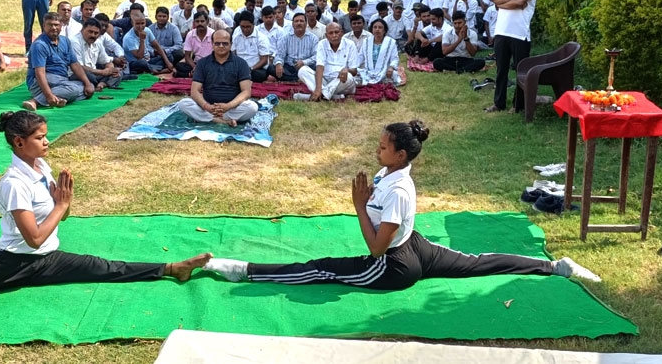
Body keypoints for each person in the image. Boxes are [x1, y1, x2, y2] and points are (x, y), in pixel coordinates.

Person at [203, 121, 602, 288]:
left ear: (400, 155)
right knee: (476, 262)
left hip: (393, 265)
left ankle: (245, 271)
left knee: (319, 269)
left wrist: (359, 206)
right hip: (416, 247)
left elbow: (376, 246)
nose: (376, 150)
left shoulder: (397, 190)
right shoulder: (393, 176)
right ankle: (555, 267)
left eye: (382, 147)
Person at [0, 110, 212, 294]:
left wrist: (63, 203)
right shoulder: (14, 184)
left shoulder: (41, 165)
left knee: (104, 267)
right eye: (39, 138)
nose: (47, 141)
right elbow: (32, 237)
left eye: (45, 135)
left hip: (46, 259)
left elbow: (55, 223)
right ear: (19, 142)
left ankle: (173, 268)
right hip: (7, 264)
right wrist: (60, 207)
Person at [486, 0, 542, 113]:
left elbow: (521, 2)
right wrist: (512, 1)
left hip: (520, 34)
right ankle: (498, 103)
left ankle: (518, 105)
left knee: (520, 71)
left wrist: (502, 3)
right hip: (502, 31)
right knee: (501, 69)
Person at [178, 30, 258, 127]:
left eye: (225, 43)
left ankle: (207, 119)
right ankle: (223, 121)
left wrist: (228, 106)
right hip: (208, 106)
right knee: (183, 103)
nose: (221, 46)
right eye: (217, 43)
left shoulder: (241, 63)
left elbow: (246, 92)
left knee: (252, 107)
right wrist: (207, 107)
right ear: (212, 44)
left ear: (231, 44)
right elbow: (195, 91)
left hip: (232, 107)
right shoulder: (202, 63)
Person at [22, 13, 94, 111]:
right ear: (44, 26)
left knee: (88, 87)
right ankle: (36, 101)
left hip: (62, 80)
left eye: (56, 25)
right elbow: (39, 73)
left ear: (61, 26)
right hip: (41, 80)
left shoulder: (65, 41)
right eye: (50, 25)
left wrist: (87, 83)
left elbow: (75, 64)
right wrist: (48, 95)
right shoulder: (39, 45)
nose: (53, 28)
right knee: (74, 89)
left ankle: (57, 99)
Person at [296, 23, 358, 101]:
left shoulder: (350, 44)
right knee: (303, 70)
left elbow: (354, 71)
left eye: (336, 32)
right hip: (324, 81)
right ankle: (329, 96)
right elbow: (319, 67)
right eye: (331, 33)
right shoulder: (322, 44)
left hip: (341, 83)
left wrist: (347, 70)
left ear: (341, 33)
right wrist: (318, 89)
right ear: (326, 35)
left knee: (349, 77)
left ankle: (319, 95)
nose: (334, 35)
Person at [70, 18, 122, 91]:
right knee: (88, 76)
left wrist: (110, 69)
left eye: (96, 33)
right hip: (79, 74)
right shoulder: (75, 42)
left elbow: (106, 61)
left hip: (95, 73)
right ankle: (102, 83)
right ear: (82, 30)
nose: (93, 35)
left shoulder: (97, 42)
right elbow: (79, 67)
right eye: (90, 32)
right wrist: (102, 72)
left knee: (118, 71)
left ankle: (101, 84)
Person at [270, 13, 318, 82]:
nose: (299, 23)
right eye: (296, 21)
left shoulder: (313, 38)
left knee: (317, 67)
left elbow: (316, 56)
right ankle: (299, 79)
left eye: (301, 21)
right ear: (292, 24)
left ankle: (291, 79)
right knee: (271, 68)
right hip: (289, 67)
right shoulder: (286, 37)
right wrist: (279, 64)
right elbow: (280, 55)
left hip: (306, 67)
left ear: (306, 23)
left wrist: (304, 62)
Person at [357, 19, 401, 85]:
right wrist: (353, 66)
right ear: (372, 30)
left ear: (384, 30)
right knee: (355, 74)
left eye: (380, 27)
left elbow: (395, 58)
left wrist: (391, 67)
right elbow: (360, 57)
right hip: (368, 71)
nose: (377, 29)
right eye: (375, 27)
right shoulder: (366, 41)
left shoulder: (391, 42)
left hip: (384, 71)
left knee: (393, 74)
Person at [232, 11, 273, 83]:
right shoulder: (236, 36)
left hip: (255, 69)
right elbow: (233, 54)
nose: (245, 29)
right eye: (242, 27)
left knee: (256, 75)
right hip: (239, 68)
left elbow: (264, 60)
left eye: (248, 27)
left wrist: (250, 69)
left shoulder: (261, 38)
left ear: (253, 25)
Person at [179, 12, 215, 78]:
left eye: (202, 21)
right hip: (196, 63)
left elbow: (217, 54)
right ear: (194, 23)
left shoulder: (213, 34)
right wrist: (195, 67)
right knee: (179, 66)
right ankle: (196, 73)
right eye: (197, 21)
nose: (200, 24)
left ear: (207, 22)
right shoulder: (190, 34)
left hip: (211, 63)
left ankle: (190, 74)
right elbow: (187, 56)